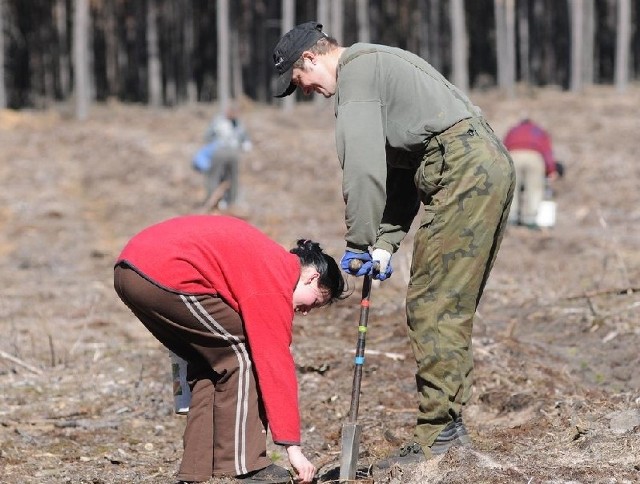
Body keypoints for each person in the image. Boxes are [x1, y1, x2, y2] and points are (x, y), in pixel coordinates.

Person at [272, 21, 515, 466]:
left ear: (310, 58)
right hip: (479, 165)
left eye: (298, 81)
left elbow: (362, 167)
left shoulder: (358, 74)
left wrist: (360, 242)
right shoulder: (376, 67)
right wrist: (385, 242)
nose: (305, 90)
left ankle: (440, 434)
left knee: (434, 303)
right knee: (446, 302)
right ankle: (449, 429)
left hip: (464, 172)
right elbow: (403, 167)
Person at [113, 214, 347, 483]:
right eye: (314, 302)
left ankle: (196, 470)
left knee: (209, 362)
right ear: (312, 277)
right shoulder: (276, 279)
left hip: (130, 270)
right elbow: (274, 364)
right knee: (243, 353)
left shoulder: (268, 260)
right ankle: (245, 466)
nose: (305, 311)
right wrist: (293, 448)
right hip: (163, 272)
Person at [503, 118, 562, 228]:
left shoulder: (513, 130)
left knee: (512, 188)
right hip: (534, 156)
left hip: (513, 155)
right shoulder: (538, 130)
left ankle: (512, 218)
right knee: (535, 188)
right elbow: (547, 151)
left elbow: (503, 146)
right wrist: (552, 170)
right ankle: (530, 219)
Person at [191, 106, 252, 210]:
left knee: (231, 177)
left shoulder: (238, 123)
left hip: (232, 153)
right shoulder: (218, 121)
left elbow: (244, 137)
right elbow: (208, 137)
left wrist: (245, 143)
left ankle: (230, 202)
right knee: (215, 176)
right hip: (219, 152)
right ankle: (215, 201)